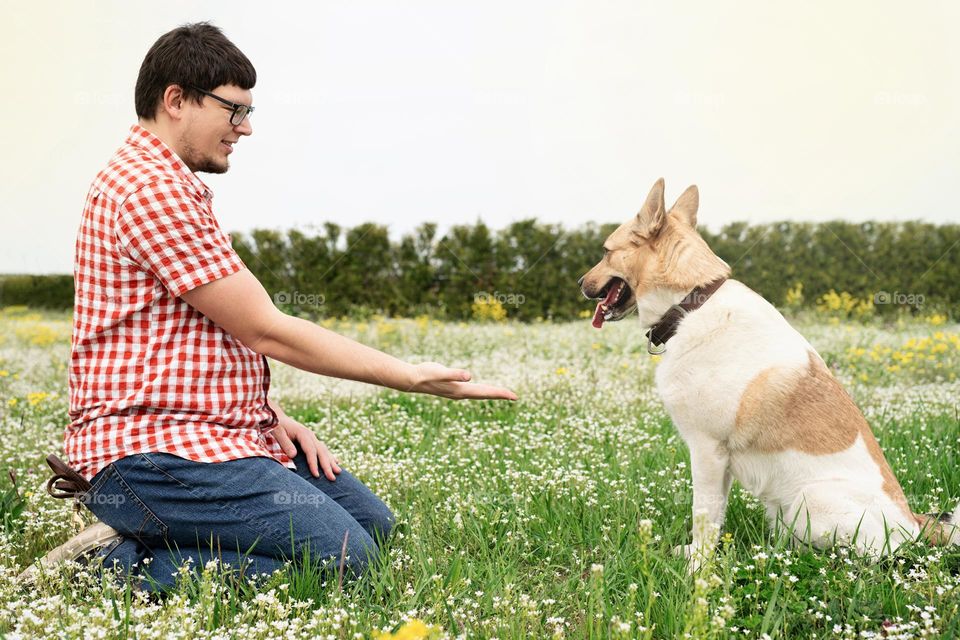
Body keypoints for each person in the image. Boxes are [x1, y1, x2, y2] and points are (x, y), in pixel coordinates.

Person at [21, 22, 516, 592]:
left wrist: (268, 418)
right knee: (347, 560)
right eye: (234, 111)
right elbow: (267, 330)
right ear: (176, 99)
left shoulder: (167, 183)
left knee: (373, 528)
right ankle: (109, 568)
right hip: (145, 456)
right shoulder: (150, 189)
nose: (246, 128)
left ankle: (153, 535)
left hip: (198, 438)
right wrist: (410, 376)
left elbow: (189, 336)